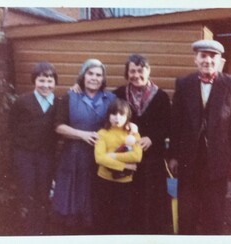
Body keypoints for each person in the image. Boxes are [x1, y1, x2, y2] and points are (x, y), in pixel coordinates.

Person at [168, 40, 231, 235]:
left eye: (213, 56)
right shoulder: (184, 84)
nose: (208, 60)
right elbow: (176, 123)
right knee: (187, 212)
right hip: (189, 159)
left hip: (218, 159)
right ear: (196, 59)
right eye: (203, 56)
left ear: (221, 61)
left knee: (214, 212)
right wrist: (174, 155)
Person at [51, 59, 116, 234]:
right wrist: (83, 135)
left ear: (103, 79)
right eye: (90, 73)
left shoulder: (111, 99)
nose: (94, 78)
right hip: (74, 156)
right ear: (83, 75)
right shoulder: (70, 96)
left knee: (96, 203)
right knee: (72, 203)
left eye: (98, 75)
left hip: (99, 157)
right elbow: (58, 127)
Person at [114, 54, 171, 234]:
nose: (136, 74)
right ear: (127, 73)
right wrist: (77, 85)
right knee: (126, 203)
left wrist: (152, 138)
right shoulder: (119, 94)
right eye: (132, 70)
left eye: (140, 70)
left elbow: (168, 125)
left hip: (151, 161)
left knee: (149, 205)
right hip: (126, 158)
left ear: (148, 71)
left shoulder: (161, 96)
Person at [8, 61, 58, 235]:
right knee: (27, 192)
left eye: (50, 81)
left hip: (46, 156)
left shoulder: (58, 103)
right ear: (34, 81)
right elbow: (11, 127)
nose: (46, 85)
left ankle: (42, 230)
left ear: (55, 83)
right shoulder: (22, 101)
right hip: (25, 156)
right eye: (41, 80)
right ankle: (27, 230)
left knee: (43, 193)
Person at [94, 98, 143, 234]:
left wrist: (113, 156)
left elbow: (137, 156)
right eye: (114, 114)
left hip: (124, 183)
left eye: (122, 115)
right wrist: (125, 166)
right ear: (108, 115)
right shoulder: (102, 134)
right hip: (104, 180)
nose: (117, 118)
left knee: (122, 217)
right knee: (103, 215)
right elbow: (99, 158)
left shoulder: (133, 134)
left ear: (128, 117)